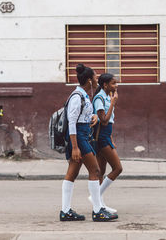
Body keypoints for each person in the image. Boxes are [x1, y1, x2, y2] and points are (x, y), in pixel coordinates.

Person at [60, 64, 117, 222]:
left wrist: (94, 117)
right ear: (88, 80)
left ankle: (65, 211)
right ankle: (98, 211)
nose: (96, 79)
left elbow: (83, 116)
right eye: (94, 77)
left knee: (72, 173)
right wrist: (76, 148)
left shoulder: (84, 95)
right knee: (96, 171)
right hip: (78, 138)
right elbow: (72, 122)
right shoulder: (77, 96)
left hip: (83, 135)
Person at [89, 73, 122, 214]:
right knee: (117, 168)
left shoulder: (107, 96)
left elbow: (109, 123)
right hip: (101, 138)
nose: (116, 86)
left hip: (106, 136)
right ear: (105, 85)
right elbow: (103, 120)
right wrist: (113, 103)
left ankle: (100, 204)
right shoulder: (99, 98)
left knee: (101, 172)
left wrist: (111, 137)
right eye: (113, 83)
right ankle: (95, 198)